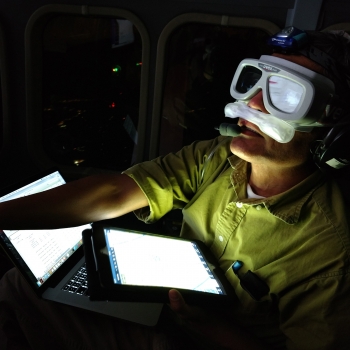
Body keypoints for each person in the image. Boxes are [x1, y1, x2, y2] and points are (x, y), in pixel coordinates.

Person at [1, 27, 350, 350]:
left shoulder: (332, 249)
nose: (254, 104)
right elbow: (114, 192)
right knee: (21, 285)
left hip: (200, 341)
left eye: (287, 96)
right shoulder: (215, 156)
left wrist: (209, 327)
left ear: (334, 133)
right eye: (255, 83)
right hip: (168, 311)